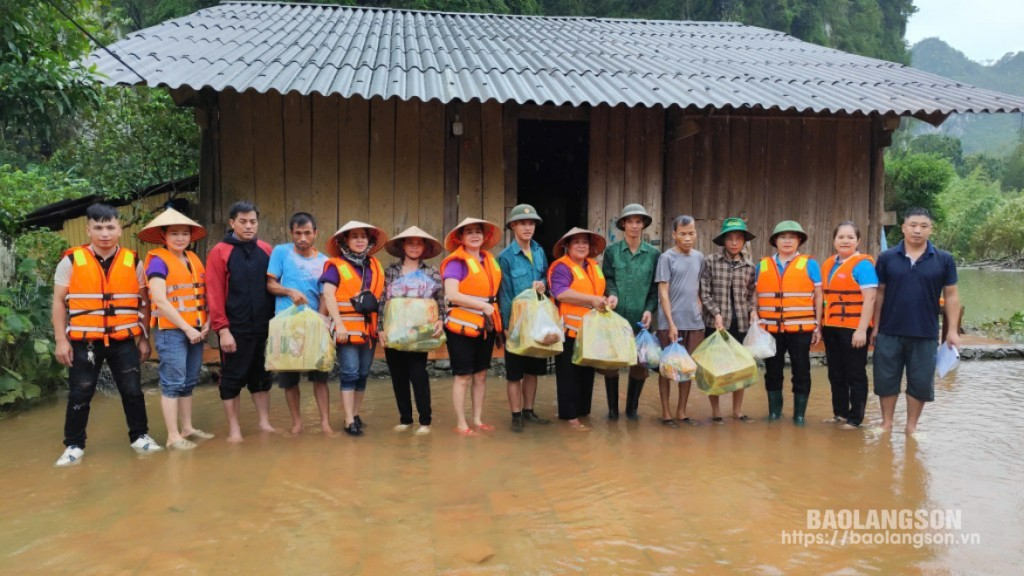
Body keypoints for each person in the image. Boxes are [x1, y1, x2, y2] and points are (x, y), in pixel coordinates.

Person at [52, 203, 163, 466]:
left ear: (119, 229)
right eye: (98, 228)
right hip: (85, 340)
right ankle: (74, 445)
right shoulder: (71, 260)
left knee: (133, 390)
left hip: (123, 339)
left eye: (110, 227)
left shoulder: (132, 261)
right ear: (88, 229)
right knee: (80, 392)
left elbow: (143, 303)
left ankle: (140, 436)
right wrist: (60, 340)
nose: (105, 233)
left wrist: (144, 338)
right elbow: (58, 301)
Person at [871, 208, 960, 435]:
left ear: (930, 229)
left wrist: (952, 331)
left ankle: (911, 428)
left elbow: (951, 295)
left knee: (920, 382)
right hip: (890, 330)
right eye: (913, 225)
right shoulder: (887, 257)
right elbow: (879, 293)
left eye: (923, 226)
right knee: (886, 380)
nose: (917, 230)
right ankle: (886, 424)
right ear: (903, 227)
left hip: (925, 332)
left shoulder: (944, 259)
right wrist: (876, 326)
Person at [138, 208, 214, 450]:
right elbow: (159, 299)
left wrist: (207, 323)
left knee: (189, 381)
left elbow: (202, 293)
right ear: (164, 236)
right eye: (174, 234)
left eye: (184, 233)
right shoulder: (158, 261)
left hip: (197, 329)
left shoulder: (193, 259)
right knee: (172, 383)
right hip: (172, 331)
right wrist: (187, 328)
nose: (180, 238)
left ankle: (187, 427)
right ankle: (172, 436)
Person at [207, 200, 276, 443]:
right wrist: (222, 329)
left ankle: (264, 423)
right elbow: (214, 293)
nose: (248, 226)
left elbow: (274, 285)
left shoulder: (266, 249)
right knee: (232, 378)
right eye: (243, 222)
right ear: (232, 223)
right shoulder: (219, 252)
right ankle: (234, 429)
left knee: (261, 376)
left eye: (253, 222)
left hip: (264, 326)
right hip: (235, 328)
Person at [266, 212, 332, 435]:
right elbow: (270, 285)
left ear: (316, 233)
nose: (302, 238)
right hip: (286, 327)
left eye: (307, 233)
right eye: (298, 233)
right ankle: (297, 423)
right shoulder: (281, 252)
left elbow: (325, 296)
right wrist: (289, 291)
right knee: (289, 379)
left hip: (313, 326)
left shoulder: (324, 262)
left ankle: (325, 424)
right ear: (291, 233)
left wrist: (322, 321)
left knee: (320, 377)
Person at [321, 221, 388, 437]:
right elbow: (328, 294)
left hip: (369, 330)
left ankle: (356, 413)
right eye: (354, 236)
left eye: (363, 236)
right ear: (345, 241)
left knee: (363, 373)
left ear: (369, 241)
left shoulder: (375, 265)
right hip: (346, 329)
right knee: (349, 373)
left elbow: (383, 298)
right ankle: (348, 419)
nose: (360, 240)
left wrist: (382, 328)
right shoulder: (335, 265)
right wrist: (338, 323)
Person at [755, 220, 823, 426]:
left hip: (800, 328)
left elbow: (818, 296)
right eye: (782, 237)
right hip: (771, 328)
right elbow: (755, 296)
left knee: (801, 371)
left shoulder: (810, 264)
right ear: (775, 241)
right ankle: (775, 413)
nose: (787, 241)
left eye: (792, 237)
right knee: (773, 372)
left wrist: (817, 324)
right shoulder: (763, 265)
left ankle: (799, 416)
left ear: (799, 241)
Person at [378, 226, 445, 435]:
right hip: (394, 330)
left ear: (424, 247)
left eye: (419, 243)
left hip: (420, 331)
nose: (414, 247)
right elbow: (383, 301)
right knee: (398, 375)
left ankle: (425, 421)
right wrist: (380, 328)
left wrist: (441, 320)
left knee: (418, 374)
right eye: (410, 243)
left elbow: (440, 301)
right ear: (402, 246)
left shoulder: (431, 272)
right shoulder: (390, 271)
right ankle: (405, 419)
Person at [440, 218, 504, 436]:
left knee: (481, 374)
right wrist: (482, 306)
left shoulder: (489, 260)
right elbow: (452, 294)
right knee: (463, 376)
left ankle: (477, 419)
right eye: (469, 232)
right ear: (461, 238)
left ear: (484, 236)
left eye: (478, 232)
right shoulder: (456, 262)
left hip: (485, 325)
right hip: (462, 325)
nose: (475, 235)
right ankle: (461, 424)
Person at [548, 227, 611, 429]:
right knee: (568, 374)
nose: (582, 245)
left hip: (591, 330)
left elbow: (602, 290)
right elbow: (561, 293)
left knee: (586, 374)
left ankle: (583, 412)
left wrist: (610, 298)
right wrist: (593, 300)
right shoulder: (561, 267)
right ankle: (569, 416)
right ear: (567, 246)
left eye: (585, 242)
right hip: (568, 330)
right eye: (576, 242)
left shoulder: (593, 266)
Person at [601, 204, 660, 421]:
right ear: (623, 224)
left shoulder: (654, 254)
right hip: (615, 320)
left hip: (640, 322)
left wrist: (649, 310)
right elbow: (607, 279)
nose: (634, 226)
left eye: (639, 221)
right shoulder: (612, 252)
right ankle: (613, 412)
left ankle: (632, 411)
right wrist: (612, 293)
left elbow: (656, 288)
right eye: (630, 221)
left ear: (643, 225)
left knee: (639, 366)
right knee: (611, 365)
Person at [497, 204, 551, 432]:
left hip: (537, 320)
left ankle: (529, 411)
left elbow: (546, 280)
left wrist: (543, 285)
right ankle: (516, 416)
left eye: (531, 224)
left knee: (533, 369)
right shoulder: (505, 257)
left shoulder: (539, 251)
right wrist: (508, 326)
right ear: (513, 226)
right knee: (514, 373)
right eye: (522, 223)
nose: (528, 227)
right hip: (516, 322)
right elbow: (504, 293)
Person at [699, 217, 758, 422]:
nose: (734, 242)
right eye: (730, 238)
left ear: (744, 242)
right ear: (723, 240)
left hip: (740, 324)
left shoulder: (749, 267)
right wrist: (716, 313)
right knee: (714, 368)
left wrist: (752, 311)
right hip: (715, 325)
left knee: (739, 369)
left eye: (738, 238)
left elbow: (751, 295)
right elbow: (704, 292)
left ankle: (737, 411)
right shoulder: (711, 261)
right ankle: (716, 413)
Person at [821, 221, 877, 430]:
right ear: (834, 240)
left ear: (858, 241)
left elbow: (870, 298)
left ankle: (856, 418)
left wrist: (862, 329)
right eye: (841, 237)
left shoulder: (863, 265)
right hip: (832, 327)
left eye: (850, 237)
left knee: (855, 373)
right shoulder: (829, 264)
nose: (845, 241)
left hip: (854, 328)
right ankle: (840, 414)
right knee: (835, 373)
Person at [654, 215, 704, 427]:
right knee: (667, 369)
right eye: (682, 234)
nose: (687, 238)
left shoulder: (700, 257)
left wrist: (699, 307)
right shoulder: (666, 258)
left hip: (694, 322)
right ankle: (666, 413)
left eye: (691, 233)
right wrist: (671, 323)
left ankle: (681, 411)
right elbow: (663, 291)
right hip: (670, 323)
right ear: (674, 235)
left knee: (687, 369)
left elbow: (698, 286)